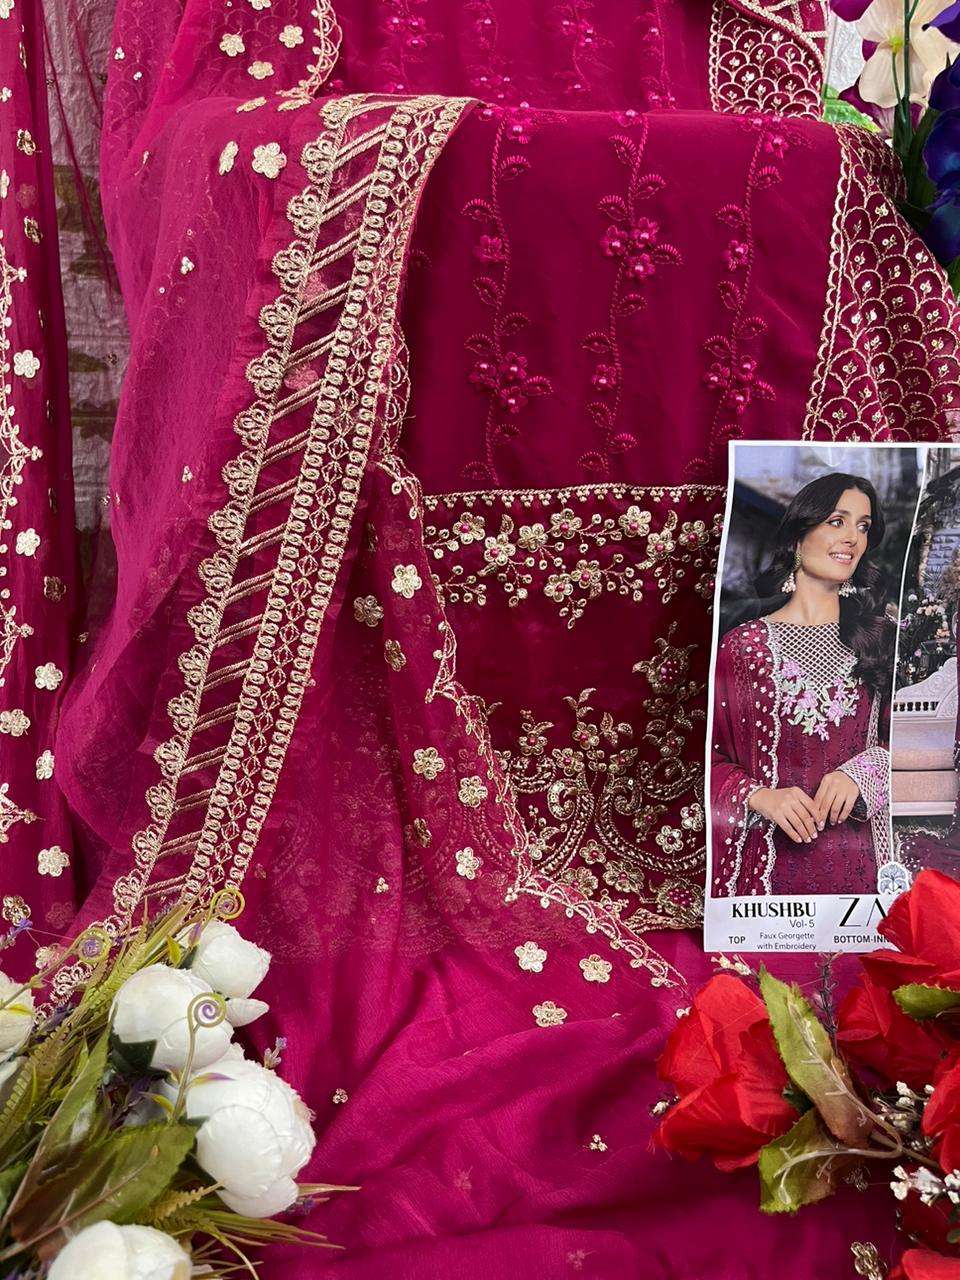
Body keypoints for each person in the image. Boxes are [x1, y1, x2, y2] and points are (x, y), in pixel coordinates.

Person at [711, 473, 893, 896]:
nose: (852, 538)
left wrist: (865, 772)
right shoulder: (743, 647)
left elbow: (907, 743)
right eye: (837, 521)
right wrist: (759, 797)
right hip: (765, 875)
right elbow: (708, 757)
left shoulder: (881, 639)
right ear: (798, 535)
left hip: (863, 868)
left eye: (863, 526)